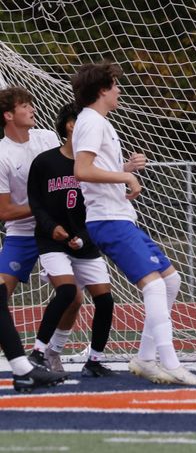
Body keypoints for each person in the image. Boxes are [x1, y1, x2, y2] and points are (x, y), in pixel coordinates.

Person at [71, 61, 196, 386]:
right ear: (102, 90)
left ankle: (147, 358)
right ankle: (171, 362)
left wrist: (123, 168)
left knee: (171, 281)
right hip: (107, 220)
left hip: (119, 216)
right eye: (115, 85)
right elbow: (82, 170)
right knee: (155, 284)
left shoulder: (99, 122)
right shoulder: (91, 121)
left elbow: (97, 171)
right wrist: (125, 175)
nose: (119, 90)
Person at [27, 102, 116, 377]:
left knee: (105, 299)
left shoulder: (95, 165)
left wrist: (84, 236)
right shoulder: (45, 161)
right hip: (52, 240)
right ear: (70, 125)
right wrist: (51, 226)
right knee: (67, 292)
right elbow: (36, 202)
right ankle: (38, 352)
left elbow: (101, 203)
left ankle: (94, 360)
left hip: (85, 241)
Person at [0, 86, 69, 392]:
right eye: (24, 105)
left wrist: (121, 174)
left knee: (73, 295)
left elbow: (72, 172)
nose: (32, 108)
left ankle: (47, 353)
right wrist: (41, 205)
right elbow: (4, 211)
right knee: (2, 294)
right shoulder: (2, 155)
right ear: (8, 115)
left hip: (53, 230)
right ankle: (25, 367)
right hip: (23, 233)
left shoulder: (46, 138)